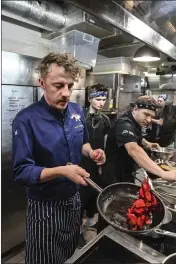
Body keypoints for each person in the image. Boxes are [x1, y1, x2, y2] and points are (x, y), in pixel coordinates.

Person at [12, 53, 106, 264]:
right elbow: (21, 172)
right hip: (45, 206)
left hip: (73, 199)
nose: (66, 93)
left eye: (70, 86)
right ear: (42, 83)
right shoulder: (26, 120)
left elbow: (82, 142)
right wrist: (62, 171)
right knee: (44, 259)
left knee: (68, 253)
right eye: (58, 85)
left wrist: (91, 152)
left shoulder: (75, 110)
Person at [102, 95, 176, 185]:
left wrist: (147, 143)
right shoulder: (124, 124)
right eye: (146, 114)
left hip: (127, 170)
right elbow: (133, 150)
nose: (149, 120)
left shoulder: (135, 121)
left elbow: (134, 137)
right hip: (115, 174)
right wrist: (163, 173)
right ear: (135, 109)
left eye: (151, 116)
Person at [78, 84, 110, 247]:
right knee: (80, 197)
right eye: (98, 99)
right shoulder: (80, 117)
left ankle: (90, 225)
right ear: (90, 99)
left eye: (104, 99)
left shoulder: (105, 119)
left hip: (96, 163)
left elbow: (105, 142)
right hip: (81, 162)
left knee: (93, 194)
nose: (101, 102)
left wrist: (103, 158)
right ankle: (76, 229)